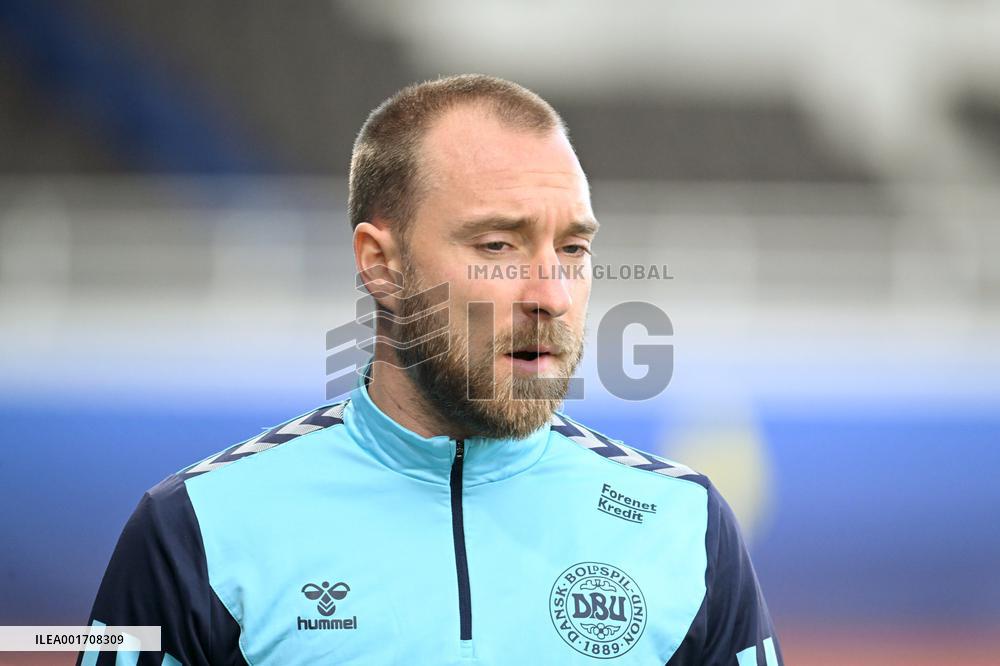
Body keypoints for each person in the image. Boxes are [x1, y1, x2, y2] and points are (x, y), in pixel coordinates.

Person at [79, 74, 782, 665]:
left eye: (572, 248)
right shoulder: (195, 531)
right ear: (380, 263)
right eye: (499, 244)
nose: (550, 295)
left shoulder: (688, 529)